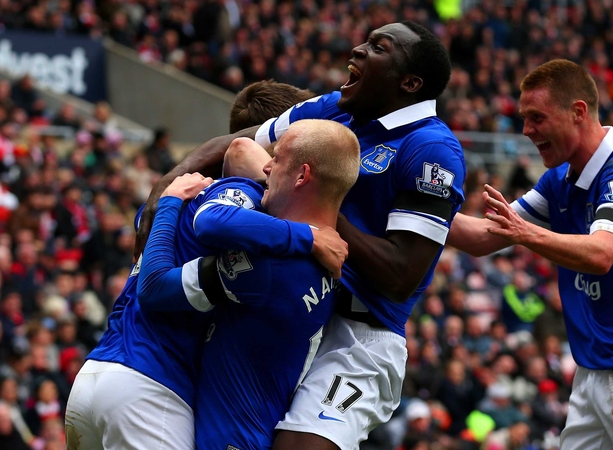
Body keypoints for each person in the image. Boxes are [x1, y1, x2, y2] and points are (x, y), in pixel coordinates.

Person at [136, 21, 465, 450]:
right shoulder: (336, 109)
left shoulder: (431, 150)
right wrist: (160, 197)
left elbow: (401, 275)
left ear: (409, 82)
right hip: (295, 312)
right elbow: (231, 144)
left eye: (378, 47)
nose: (358, 49)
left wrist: (319, 214)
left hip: (358, 337)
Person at [64, 85, 346, 450]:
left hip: (96, 376)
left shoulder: (186, 191)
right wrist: (307, 235)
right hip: (152, 387)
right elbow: (159, 284)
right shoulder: (242, 203)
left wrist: (166, 202)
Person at [448, 59, 613, 449]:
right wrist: (409, 210)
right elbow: (482, 237)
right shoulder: (558, 181)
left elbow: (601, 253)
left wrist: (525, 233)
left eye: (537, 118)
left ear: (578, 112)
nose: (527, 130)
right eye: (524, 118)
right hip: (592, 374)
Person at [136, 120, 361, 449]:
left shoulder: (271, 265)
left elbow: (155, 286)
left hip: (228, 440)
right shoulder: (330, 261)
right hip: (255, 431)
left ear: (302, 176)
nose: (267, 167)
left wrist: (169, 202)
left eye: (278, 159)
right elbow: (243, 151)